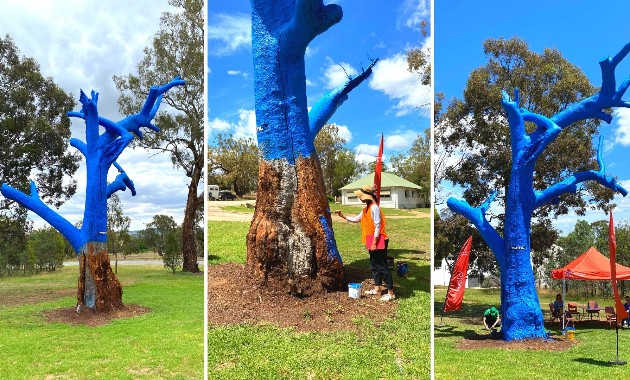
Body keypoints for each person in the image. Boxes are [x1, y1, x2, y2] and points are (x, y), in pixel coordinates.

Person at [336, 184, 395, 302]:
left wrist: (374, 243)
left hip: (378, 240)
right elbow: (356, 219)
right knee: (374, 265)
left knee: (382, 266)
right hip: (371, 239)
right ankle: (377, 288)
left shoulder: (374, 208)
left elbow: (378, 226)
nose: (360, 198)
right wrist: (342, 215)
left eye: (361, 196)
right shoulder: (365, 209)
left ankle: (391, 293)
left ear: (367, 196)